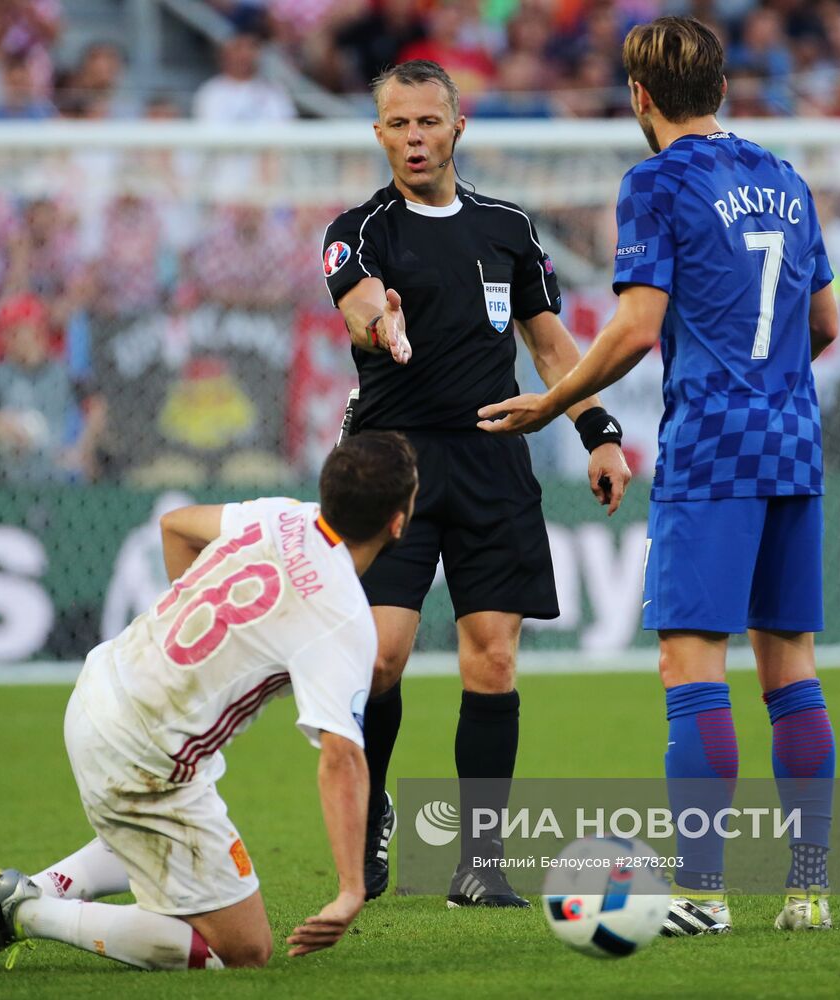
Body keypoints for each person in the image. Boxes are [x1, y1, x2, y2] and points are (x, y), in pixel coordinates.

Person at [479, 17, 840, 933]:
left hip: (714, 446)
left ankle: (704, 895)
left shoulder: (654, 181)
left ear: (638, 96)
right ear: (721, 86)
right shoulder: (786, 180)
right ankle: (806, 891)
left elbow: (638, 328)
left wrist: (553, 399)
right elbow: (825, 325)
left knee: (690, 663)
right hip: (794, 442)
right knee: (789, 664)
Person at [321, 59, 631, 908]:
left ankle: (480, 862)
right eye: (396, 124)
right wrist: (383, 324)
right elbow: (358, 302)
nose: (413, 138)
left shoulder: (506, 228)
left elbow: (550, 345)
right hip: (393, 465)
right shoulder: (359, 228)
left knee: (491, 658)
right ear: (378, 134)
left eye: (427, 122)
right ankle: (373, 811)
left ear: (457, 129)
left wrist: (597, 431)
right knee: (380, 655)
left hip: (494, 455)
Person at [0, 432, 420, 972]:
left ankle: (37, 887)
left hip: (103, 684)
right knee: (243, 950)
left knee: (161, 835)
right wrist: (352, 888)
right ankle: (27, 915)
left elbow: (176, 526)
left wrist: (193, 637)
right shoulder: (343, 616)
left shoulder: (284, 515)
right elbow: (341, 758)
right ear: (399, 523)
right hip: (140, 751)